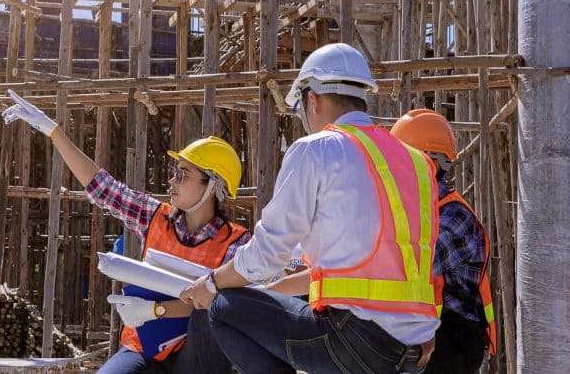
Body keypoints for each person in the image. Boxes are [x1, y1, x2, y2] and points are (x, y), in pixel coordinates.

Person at [179, 43, 442, 374]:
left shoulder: (317, 149)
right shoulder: (416, 161)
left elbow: (267, 253)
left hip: (353, 344)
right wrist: (269, 293)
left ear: (312, 99)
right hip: (416, 348)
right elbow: (396, 268)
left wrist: (212, 284)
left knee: (222, 308)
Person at [2, 91, 247, 374]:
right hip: (144, 350)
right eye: (174, 171)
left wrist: (156, 310)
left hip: (197, 361)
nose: (172, 181)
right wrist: (55, 132)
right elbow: (103, 187)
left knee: (213, 311)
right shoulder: (155, 216)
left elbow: (222, 307)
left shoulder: (237, 243)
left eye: (183, 174)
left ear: (213, 186)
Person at [390, 109, 497, 373]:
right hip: (431, 330)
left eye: (400, 161)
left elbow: (409, 271)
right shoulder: (421, 213)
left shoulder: (452, 217)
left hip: (455, 337)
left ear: (431, 164)